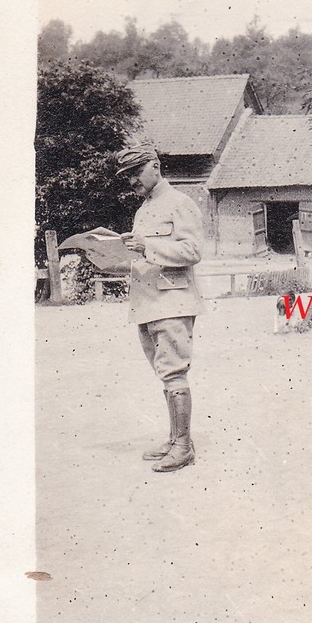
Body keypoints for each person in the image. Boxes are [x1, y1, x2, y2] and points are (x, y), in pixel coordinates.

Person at [116, 141, 204, 473]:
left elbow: (193, 251)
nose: (131, 182)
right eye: (126, 177)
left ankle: (183, 446)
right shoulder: (144, 209)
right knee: (164, 372)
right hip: (148, 303)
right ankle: (174, 438)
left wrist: (146, 245)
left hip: (173, 300)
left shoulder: (180, 203)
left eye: (135, 173)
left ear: (155, 166)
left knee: (174, 370)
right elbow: (147, 253)